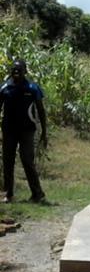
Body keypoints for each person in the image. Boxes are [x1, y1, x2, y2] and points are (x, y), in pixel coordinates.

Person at [0, 59, 47, 203]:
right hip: (8, 130)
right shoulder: (4, 88)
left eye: (19, 70)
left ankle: (37, 194)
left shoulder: (33, 88)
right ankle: (8, 194)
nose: (16, 72)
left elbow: (41, 110)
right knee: (8, 161)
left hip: (27, 130)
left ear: (25, 71)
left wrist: (44, 132)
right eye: (14, 69)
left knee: (27, 160)